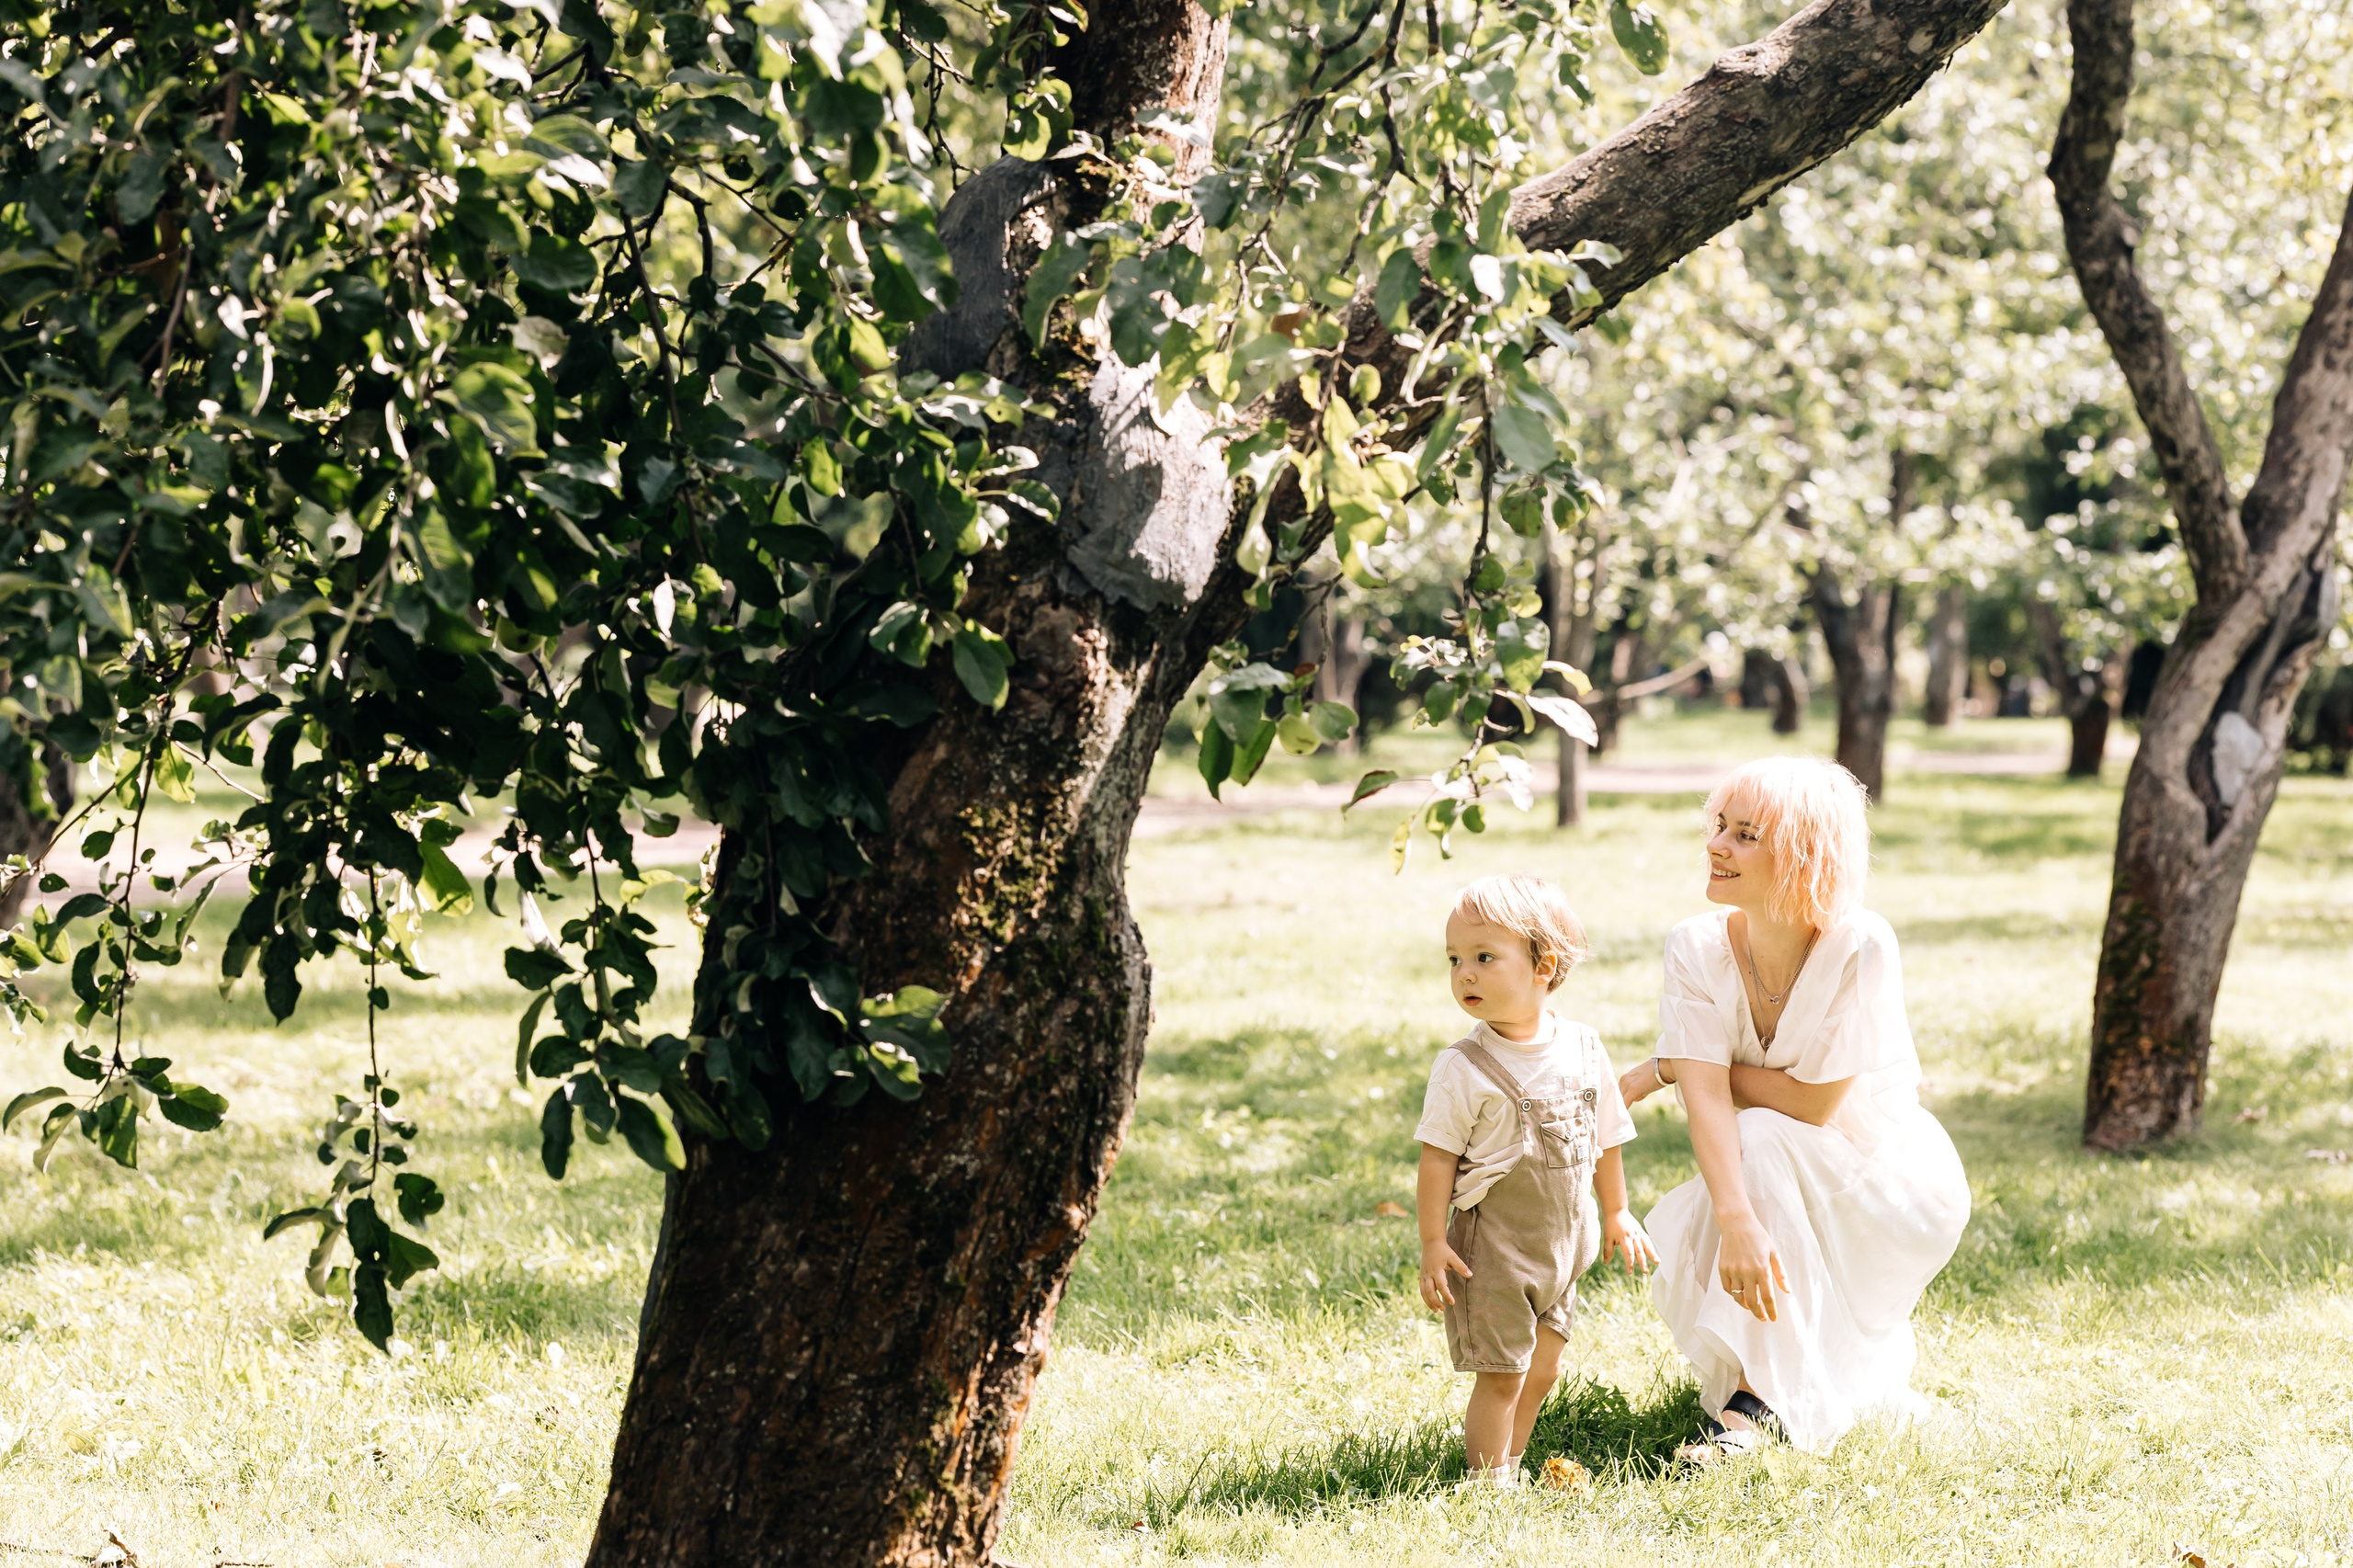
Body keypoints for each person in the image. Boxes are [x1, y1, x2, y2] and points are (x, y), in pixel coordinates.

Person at [1620, 756, 1972, 1461]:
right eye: (1718, 826)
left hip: (1889, 1180)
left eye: (1746, 835)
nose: (1717, 845)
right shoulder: (1695, 946)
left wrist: (1678, 1067)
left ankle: (1752, 1410)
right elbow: (1711, 1100)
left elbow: (1812, 1106)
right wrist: (1734, 1218)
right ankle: (1757, 1400)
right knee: (1752, 1156)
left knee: (1764, 1138)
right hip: (1774, 1168)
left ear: (1805, 853)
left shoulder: (1860, 944)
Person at [1414, 873, 1657, 1487]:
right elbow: (1437, 1159)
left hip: (1560, 1247)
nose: (1464, 973)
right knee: (1502, 1374)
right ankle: (1487, 1485)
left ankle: (1512, 1464)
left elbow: (1606, 1136)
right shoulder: (1463, 1067)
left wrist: (1617, 1212)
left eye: (1484, 958)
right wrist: (1432, 1241)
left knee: (1543, 1368)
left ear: (1544, 965)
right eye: (1455, 960)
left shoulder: (1581, 1046)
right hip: (1493, 1250)